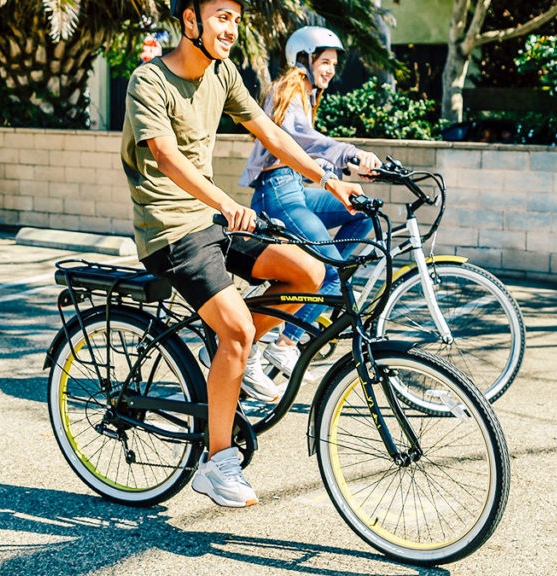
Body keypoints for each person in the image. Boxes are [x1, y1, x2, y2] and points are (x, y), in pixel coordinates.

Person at [121, 0, 365, 508]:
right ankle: (217, 463)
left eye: (235, 17)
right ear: (190, 21)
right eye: (220, 17)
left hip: (210, 219)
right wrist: (228, 202)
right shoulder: (148, 81)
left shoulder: (223, 72)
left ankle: (235, 354)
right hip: (169, 230)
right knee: (234, 330)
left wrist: (328, 179)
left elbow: (271, 132)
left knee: (309, 272)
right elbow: (164, 156)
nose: (230, 28)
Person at [239, 26, 383, 378]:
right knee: (332, 270)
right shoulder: (288, 89)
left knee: (364, 214)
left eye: (334, 63)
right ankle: (286, 343)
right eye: (325, 61)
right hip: (280, 191)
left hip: (297, 189)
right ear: (303, 58)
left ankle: (309, 287)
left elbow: (308, 151)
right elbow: (300, 139)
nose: (331, 69)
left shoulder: (306, 94)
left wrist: (347, 166)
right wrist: (350, 152)